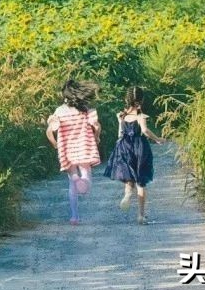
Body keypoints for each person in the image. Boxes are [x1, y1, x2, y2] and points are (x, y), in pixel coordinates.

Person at [102, 86, 165, 225]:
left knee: (129, 178)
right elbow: (145, 130)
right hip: (139, 147)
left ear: (127, 99)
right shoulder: (140, 116)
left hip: (124, 146)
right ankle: (141, 216)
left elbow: (120, 134)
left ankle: (127, 194)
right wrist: (157, 139)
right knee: (141, 182)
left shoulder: (122, 115)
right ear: (141, 100)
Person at [45, 79, 102, 225]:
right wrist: (96, 138)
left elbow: (50, 132)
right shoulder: (85, 111)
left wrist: (55, 145)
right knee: (87, 177)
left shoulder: (59, 112)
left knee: (71, 184)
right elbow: (96, 127)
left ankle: (74, 216)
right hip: (84, 147)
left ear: (64, 96)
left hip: (67, 149)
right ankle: (81, 182)